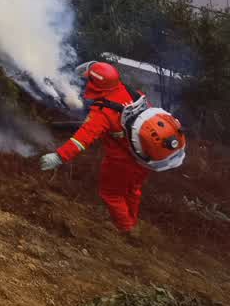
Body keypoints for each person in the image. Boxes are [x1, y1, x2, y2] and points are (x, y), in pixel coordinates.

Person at [40, 61, 151, 239]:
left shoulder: (103, 112)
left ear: (96, 84)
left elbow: (80, 141)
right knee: (132, 190)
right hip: (145, 155)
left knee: (111, 194)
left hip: (121, 160)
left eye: (89, 80)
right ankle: (132, 221)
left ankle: (127, 230)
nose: (87, 83)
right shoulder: (132, 92)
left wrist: (58, 157)